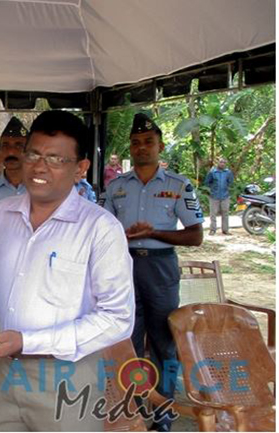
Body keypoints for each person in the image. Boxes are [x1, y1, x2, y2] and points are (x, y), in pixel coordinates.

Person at [0, 110, 135, 431]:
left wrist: (27, 341)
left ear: (80, 169)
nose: (39, 166)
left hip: (65, 376)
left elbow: (117, 319)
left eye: (55, 159)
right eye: (33, 153)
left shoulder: (100, 228)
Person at [103, 113, 204, 432]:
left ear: (160, 146)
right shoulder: (116, 186)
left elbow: (195, 236)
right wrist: (123, 236)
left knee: (163, 341)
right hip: (124, 266)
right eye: (136, 143)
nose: (142, 147)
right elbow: (102, 229)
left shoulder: (179, 185)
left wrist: (154, 232)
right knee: (126, 339)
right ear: (130, 149)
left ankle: (163, 414)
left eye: (148, 142)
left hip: (161, 268)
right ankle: (129, 408)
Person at [204, 157, 234, 235]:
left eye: (224, 162)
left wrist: (227, 189)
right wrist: (212, 189)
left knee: (225, 213)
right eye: (221, 162)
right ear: (218, 163)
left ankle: (225, 230)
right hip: (214, 196)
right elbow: (207, 182)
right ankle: (213, 229)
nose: (222, 164)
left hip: (225, 195)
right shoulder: (213, 172)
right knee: (213, 213)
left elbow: (230, 182)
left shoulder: (228, 172)